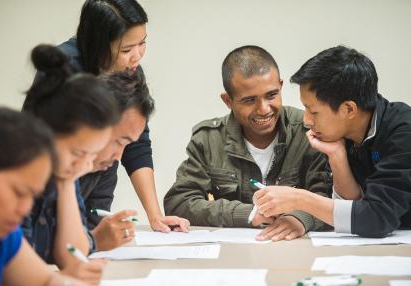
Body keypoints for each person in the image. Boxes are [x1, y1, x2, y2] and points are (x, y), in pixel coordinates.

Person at [164, 45, 331, 241]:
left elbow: (330, 198)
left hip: (297, 249)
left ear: (281, 86)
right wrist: (249, 214)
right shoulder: (208, 139)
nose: (263, 109)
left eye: (271, 95)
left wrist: (301, 218)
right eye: (249, 100)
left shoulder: (308, 131)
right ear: (228, 100)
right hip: (234, 257)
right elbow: (179, 202)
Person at [57, 0, 188, 233]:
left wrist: (155, 216)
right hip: (58, 184)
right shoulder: (62, 68)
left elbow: (136, 142)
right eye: (126, 50)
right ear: (98, 45)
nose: (137, 56)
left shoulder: (132, 72)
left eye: (142, 43)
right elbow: (44, 143)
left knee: (96, 248)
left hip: (99, 185)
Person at [253, 46, 411, 238]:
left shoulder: (403, 132)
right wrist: (337, 156)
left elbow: (377, 218)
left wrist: (298, 198)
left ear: (349, 110)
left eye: (313, 111)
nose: (306, 120)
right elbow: (355, 205)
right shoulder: (341, 133)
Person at [22, 44, 119, 284]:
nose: (85, 165)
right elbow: (13, 268)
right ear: (46, 133)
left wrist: (66, 184)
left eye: (92, 154)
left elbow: (72, 256)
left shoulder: (64, 173)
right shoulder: (16, 180)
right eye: (78, 152)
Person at [80, 70, 184, 251]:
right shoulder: (47, 168)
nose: (119, 157)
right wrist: (92, 241)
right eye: (119, 141)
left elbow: (89, 227)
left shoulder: (104, 167)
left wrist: (96, 239)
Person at [0, 107, 86, 286]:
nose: (26, 208)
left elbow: (47, 281)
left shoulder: (2, 236)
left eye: (33, 196)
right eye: (19, 192)